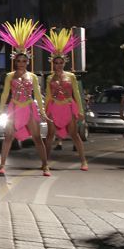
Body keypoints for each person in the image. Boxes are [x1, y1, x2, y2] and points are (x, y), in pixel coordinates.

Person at [0, 18, 51, 177]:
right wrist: (0, 110)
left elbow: (38, 95)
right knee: (8, 137)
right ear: (15, 61)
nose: (21, 63)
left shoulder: (32, 77)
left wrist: (42, 111)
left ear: (27, 61)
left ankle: (45, 165)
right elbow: (5, 93)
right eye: (18, 60)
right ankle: (2, 165)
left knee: (37, 138)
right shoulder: (9, 76)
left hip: (29, 107)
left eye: (24, 61)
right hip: (14, 108)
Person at [41, 28, 88, 170]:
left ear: (64, 63)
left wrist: (80, 110)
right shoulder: (49, 77)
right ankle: (45, 163)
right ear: (53, 63)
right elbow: (48, 95)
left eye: (61, 63)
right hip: (54, 107)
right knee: (50, 135)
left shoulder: (71, 76)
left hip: (68, 106)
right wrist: (45, 112)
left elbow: (76, 94)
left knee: (74, 134)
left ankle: (84, 161)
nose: (58, 65)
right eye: (56, 63)